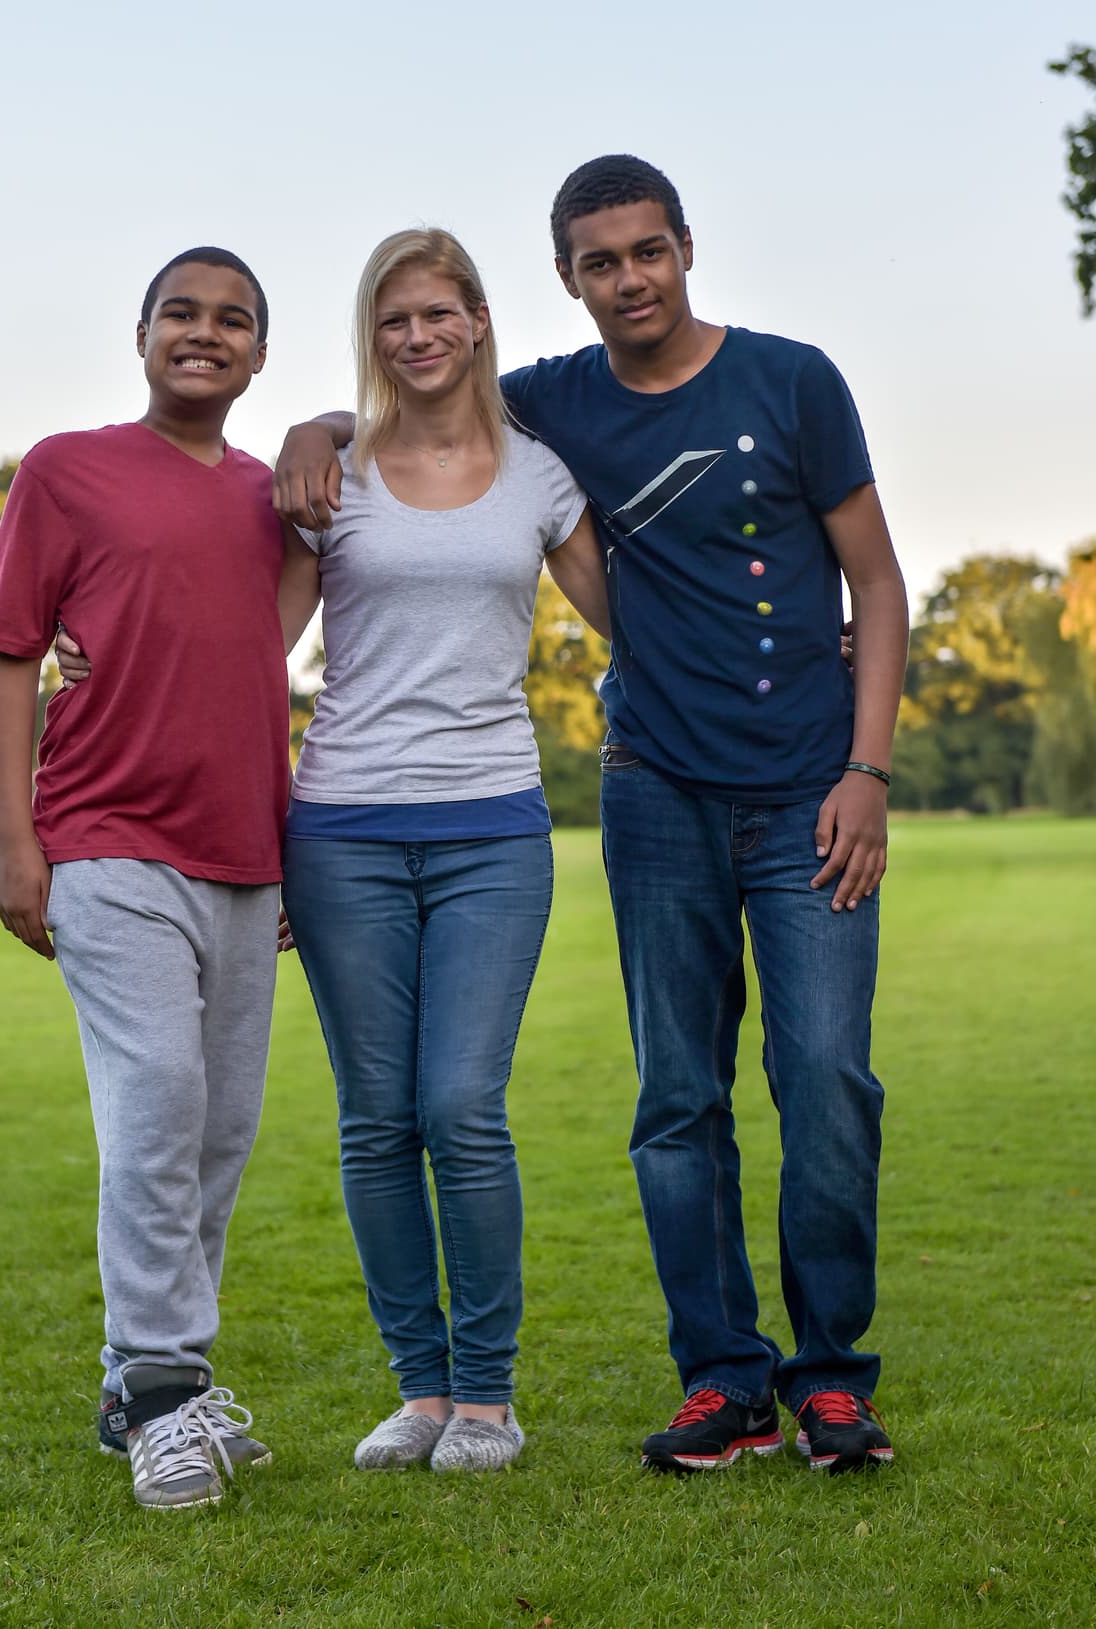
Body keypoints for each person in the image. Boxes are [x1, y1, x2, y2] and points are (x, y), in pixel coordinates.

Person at [274, 156, 909, 1476]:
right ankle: (724, 1382)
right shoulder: (550, 403)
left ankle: (831, 1376)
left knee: (828, 1085)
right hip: (654, 792)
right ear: (565, 280)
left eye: (647, 252)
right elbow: (417, 400)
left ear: (686, 248)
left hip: (807, 792)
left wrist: (869, 771)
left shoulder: (794, 381)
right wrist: (315, 428)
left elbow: (881, 584)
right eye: (600, 262)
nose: (629, 279)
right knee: (678, 1100)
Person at [277, 228, 608, 1473]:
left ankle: (486, 1395)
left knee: (460, 1108)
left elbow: (640, 622)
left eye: (435, 314)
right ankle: (417, 1393)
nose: (415, 338)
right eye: (389, 321)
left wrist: (802, 643)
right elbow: (245, 649)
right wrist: (91, 663)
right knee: (374, 1121)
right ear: (372, 339)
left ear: (475, 318)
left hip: (491, 829)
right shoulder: (331, 476)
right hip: (343, 827)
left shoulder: (537, 475)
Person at [0, 247, 295, 1510]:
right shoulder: (67, 470)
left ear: (259, 355)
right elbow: (10, 658)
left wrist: (327, 434)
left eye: (232, 321)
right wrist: (15, 843)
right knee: (158, 1099)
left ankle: (138, 1375)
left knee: (217, 1130)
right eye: (181, 312)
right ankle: (167, 1391)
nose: (203, 334)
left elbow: (253, 645)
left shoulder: (279, 496)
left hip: (246, 858)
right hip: (104, 840)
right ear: (142, 332)